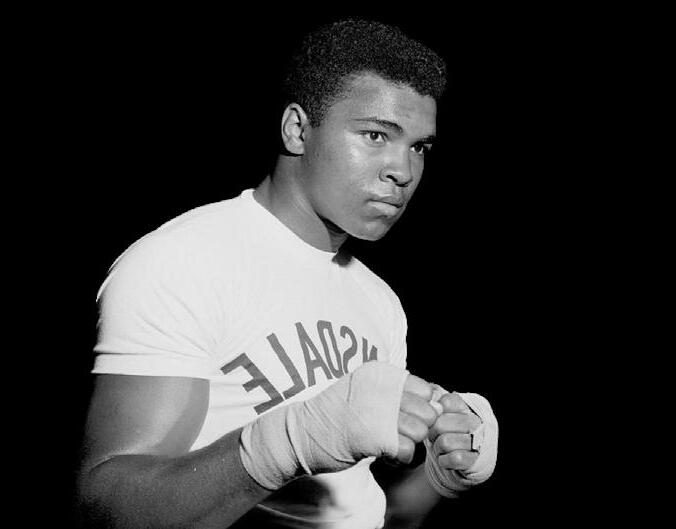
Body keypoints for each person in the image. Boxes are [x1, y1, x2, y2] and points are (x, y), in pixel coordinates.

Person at [76, 18, 498, 528]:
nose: (402, 171)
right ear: (297, 129)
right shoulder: (181, 263)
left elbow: (355, 511)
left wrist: (440, 475)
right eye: (375, 135)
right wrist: (284, 443)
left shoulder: (379, 301)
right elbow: (109, 509)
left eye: (418, 147)